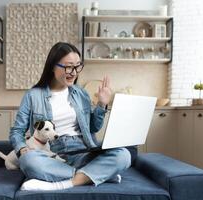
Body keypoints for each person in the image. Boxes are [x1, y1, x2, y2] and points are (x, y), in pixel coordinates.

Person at [9, 42, 131, 191]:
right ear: (53, 66)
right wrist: (22, 149)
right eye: (68, 66)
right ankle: (97, 174)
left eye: (77, 66)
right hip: (51, 155)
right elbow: (17, 131)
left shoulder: (81, 93)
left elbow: (93, 127)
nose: (74, 72)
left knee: (123, 155)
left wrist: (101, 104)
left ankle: (62, 183)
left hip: (83, 150)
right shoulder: (33, 95)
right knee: (28, 160)